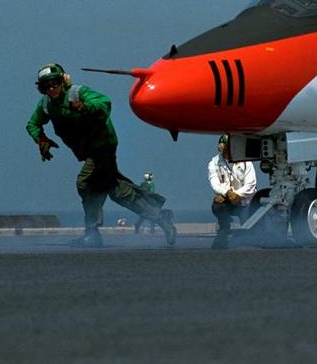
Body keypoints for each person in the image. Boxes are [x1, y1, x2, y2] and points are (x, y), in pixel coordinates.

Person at [26, 63, 176, 248]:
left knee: (85, 182)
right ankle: (160, 216)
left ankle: (92, 232)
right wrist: (41, 138)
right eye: (46, 86)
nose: (51, 88)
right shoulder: (47, 104)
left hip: (103, 145)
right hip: (87, 150)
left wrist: (85, 107)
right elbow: (32, 124)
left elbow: (104, 103)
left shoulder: (77, 93)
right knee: (116, 190)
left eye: (55, 83)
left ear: (63, 80)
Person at [208, 134, 258, 249]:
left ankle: (249, 235)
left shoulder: (245, 161)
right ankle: (224, 229)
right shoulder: (214, 163)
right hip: (227, 199)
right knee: (217, 205)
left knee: (249, 229)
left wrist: (237, 195)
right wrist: (227, 193)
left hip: (246, 200)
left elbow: (251, 184)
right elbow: (215, 183)